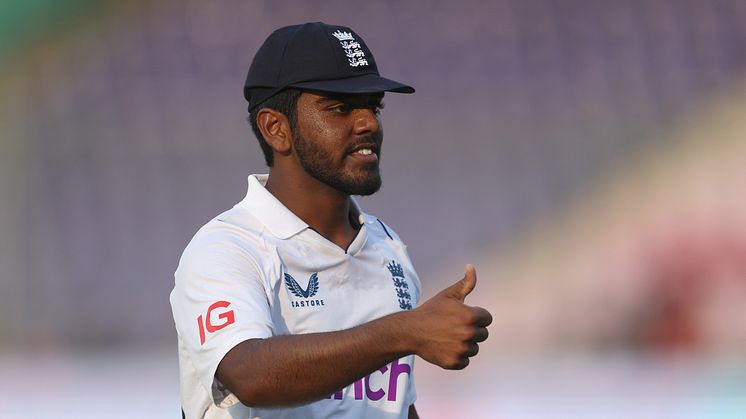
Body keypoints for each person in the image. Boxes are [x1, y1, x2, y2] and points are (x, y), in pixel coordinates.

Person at [170, 22, 493, 419]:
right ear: (276, 128)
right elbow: (248, 375)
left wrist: (407, 334)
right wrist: (405, 331)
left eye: (373, 106)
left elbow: (394, 407)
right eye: (340, 108)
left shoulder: (387, 247)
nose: (369, 124)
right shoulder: (227, 248)